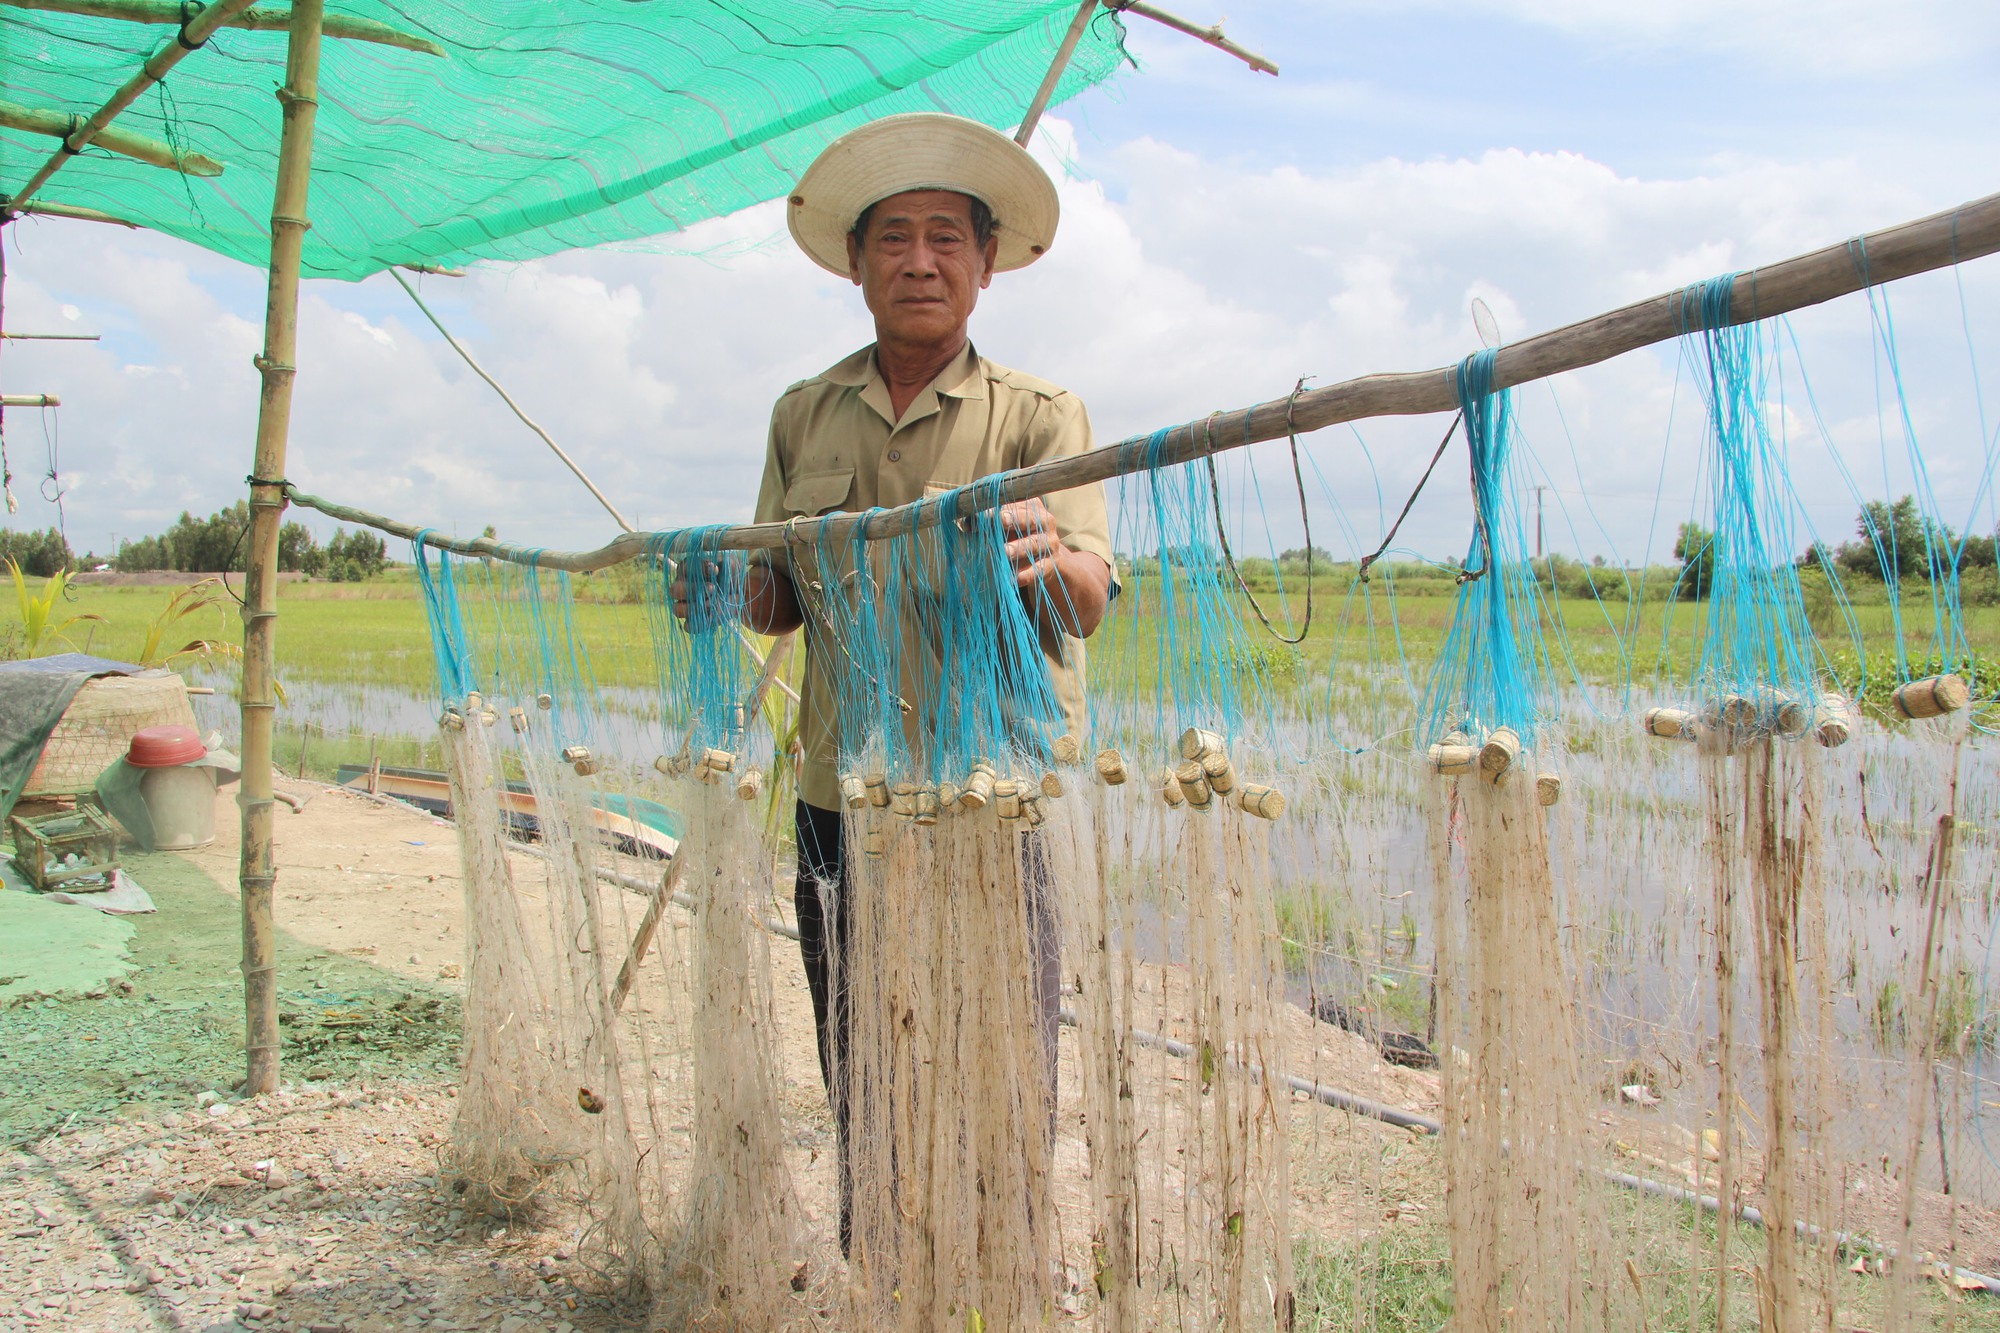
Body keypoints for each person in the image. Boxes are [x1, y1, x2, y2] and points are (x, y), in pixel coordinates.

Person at [672, 112, 1116, 1249]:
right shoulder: (802, 413)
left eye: (944, 240)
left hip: (986, 797)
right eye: (895, 240)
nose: (919, 261)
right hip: (841, 795)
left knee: (1001, 1062)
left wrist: (1036, 549)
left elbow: (1084, 600)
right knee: (861, 1056)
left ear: (982, 265)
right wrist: (717, 587)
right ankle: (882, 1273)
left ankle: (1001, 1275)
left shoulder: (1038, 415)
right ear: (859, 265)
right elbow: (777, 600)